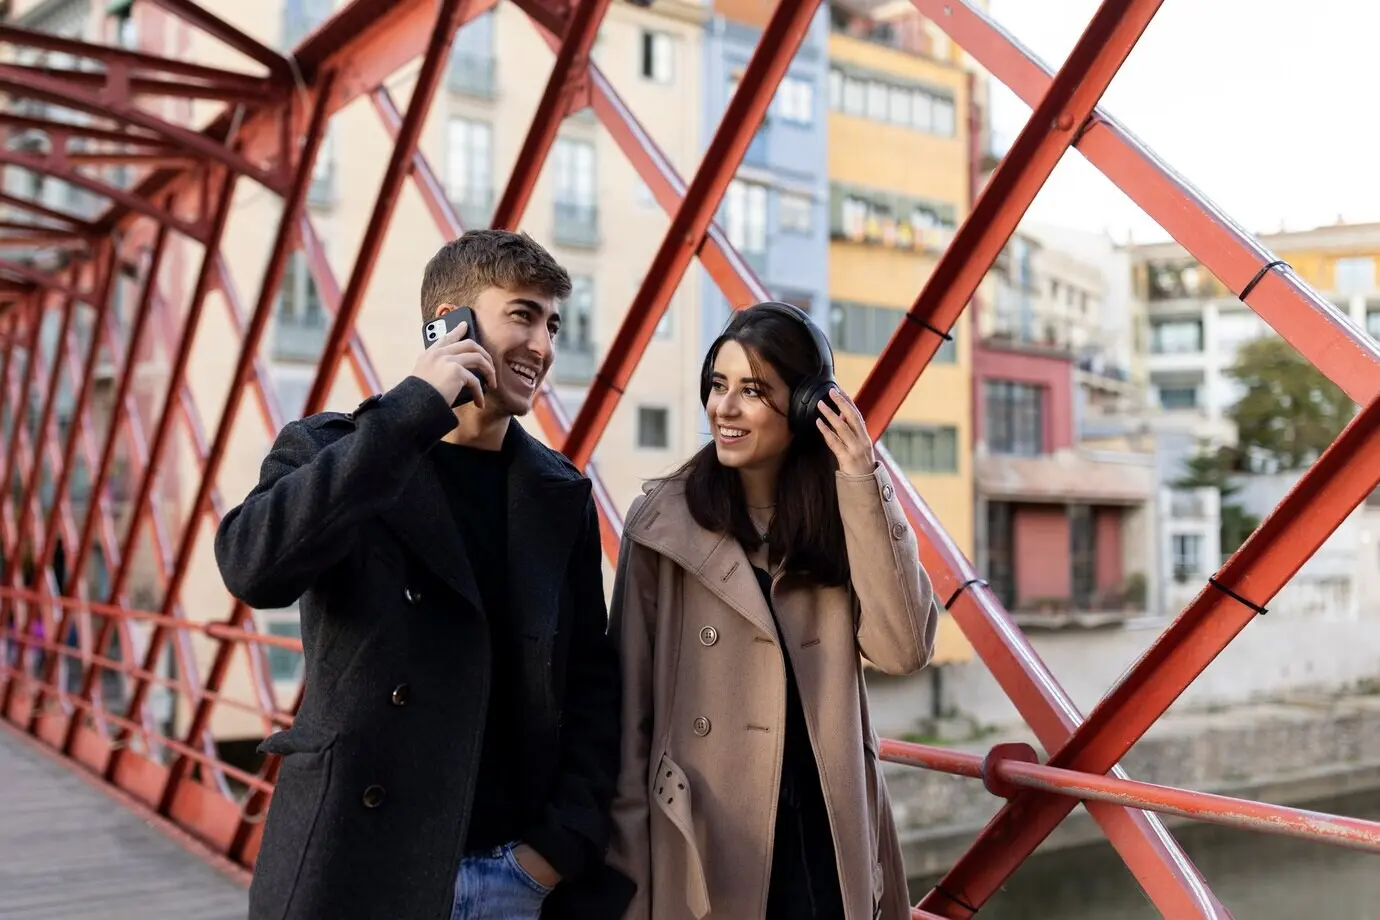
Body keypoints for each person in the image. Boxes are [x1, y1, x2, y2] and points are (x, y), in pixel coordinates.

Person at [215, 229, 628, 920]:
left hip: (511, 876)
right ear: (450, 323)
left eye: (552, 323)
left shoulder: (558, 494)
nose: (545, 346)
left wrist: (552, 852)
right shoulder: (337, 450)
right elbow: (252, 568)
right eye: (523, 315)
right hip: (354, 860)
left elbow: (590, 682)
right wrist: (409, 414)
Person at [604, 302, 940, 920]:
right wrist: (629, 889)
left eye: (752, 391)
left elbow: (904, 649)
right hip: (706, 847)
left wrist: (864, 481)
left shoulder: (843, 519)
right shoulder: (660, 528)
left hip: (829, 843)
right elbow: (628, 724)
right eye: (717, 385)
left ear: (808, 405)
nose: (723, 409)